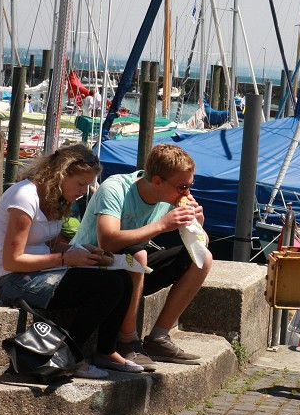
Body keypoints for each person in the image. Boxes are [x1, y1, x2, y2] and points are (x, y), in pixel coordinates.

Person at [0, 145, 142, 378]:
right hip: (14, 281)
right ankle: (69, 355)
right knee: (109, 285)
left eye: (88, 185)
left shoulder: (54, 197)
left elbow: (46, 243)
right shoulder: (24, 197)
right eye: (81, 184)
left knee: (122, 278)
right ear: (62, 174)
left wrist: (80, 250)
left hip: (40, 271)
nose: (84, 191)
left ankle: (106, 351)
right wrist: (65, 258)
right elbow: (12, 261)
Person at [71, 144, 211, 370]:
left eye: (190, 186)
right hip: (89, 264)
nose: (186, 193)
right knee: (138, 255)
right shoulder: (116, 188)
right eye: (182, 187)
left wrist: (197, 227)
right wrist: (162, 225)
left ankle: (159, 338)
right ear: (157, 181)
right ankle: (127, 341)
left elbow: (198, 245)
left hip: (129, 270)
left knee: (203, 258)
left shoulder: (171, 195)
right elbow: (107, 241)